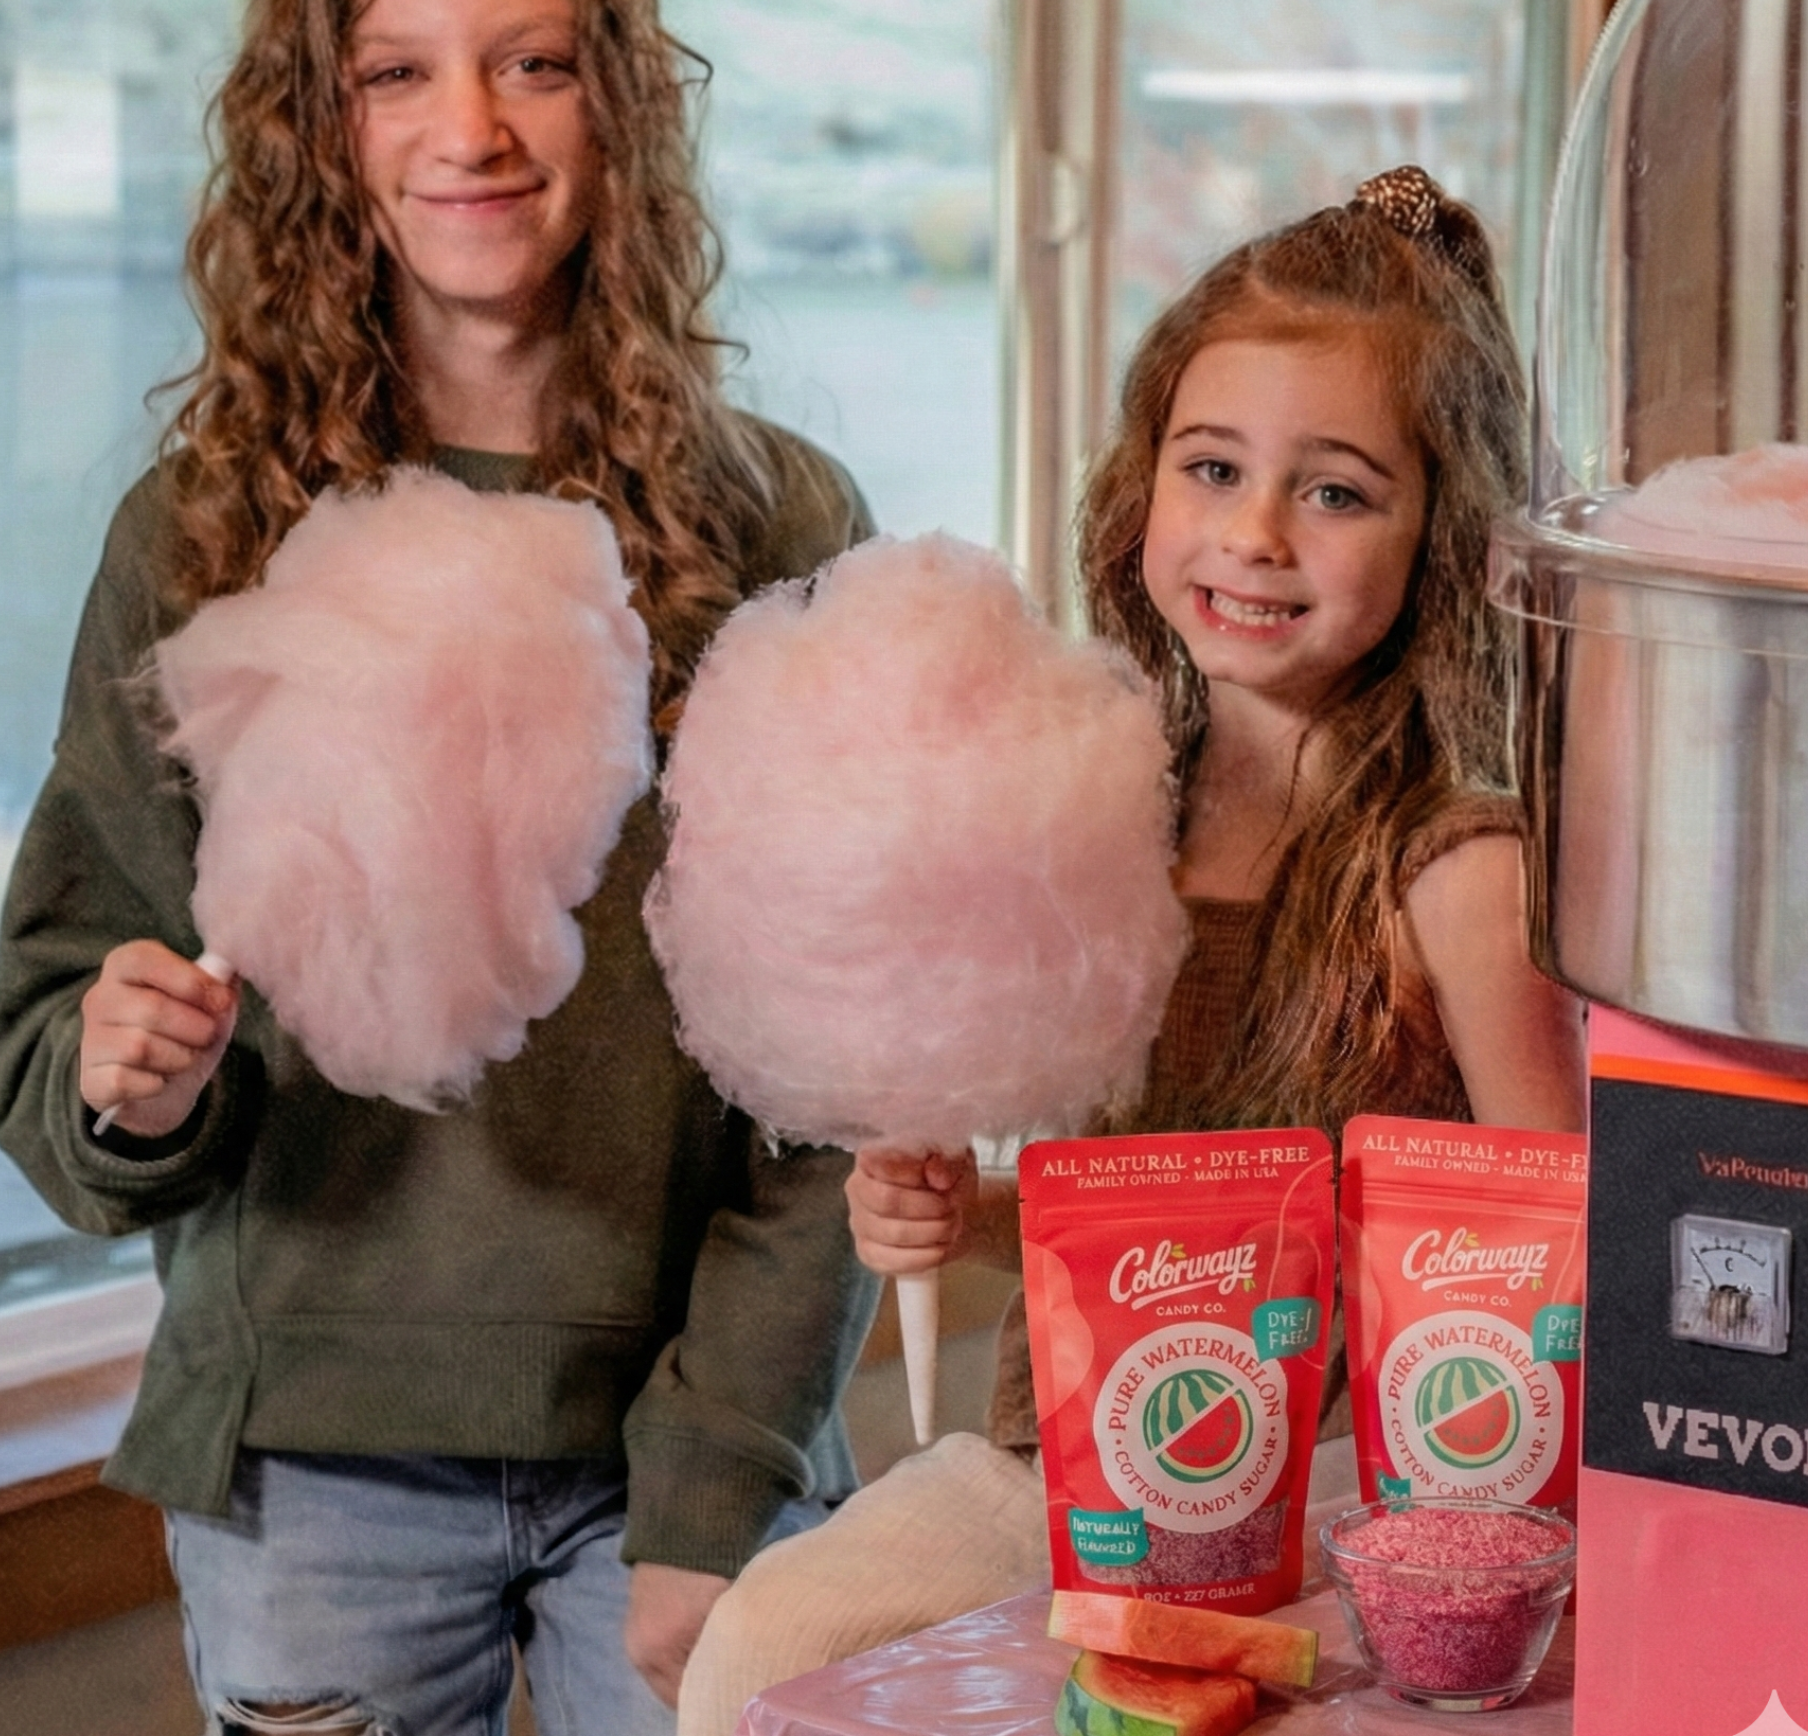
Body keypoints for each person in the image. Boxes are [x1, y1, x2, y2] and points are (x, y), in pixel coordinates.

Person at [0, 0, 879, 1736]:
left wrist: (722, 1477)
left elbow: (834, 1094)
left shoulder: (773, 524)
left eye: (531, 63)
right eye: (398, 72)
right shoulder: (207, 532)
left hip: (678, 1463)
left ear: (616, 107)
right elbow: (64, 1041)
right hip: (310, 1465)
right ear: (326, 127)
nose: (468, 131)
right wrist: (125, 1078)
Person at [675, 167, 1587, 1736]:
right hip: (1068, 1465)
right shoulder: (1093, 800)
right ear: (1140, 484)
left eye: (1338, 491)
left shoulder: (1456, 869)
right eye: (1213, 466)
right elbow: (1144, 1215)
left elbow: (1569, 1259)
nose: (1254, 535)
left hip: (1326, 1496)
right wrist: (960, 1213)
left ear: (1445, 528)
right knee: (766, 1647)